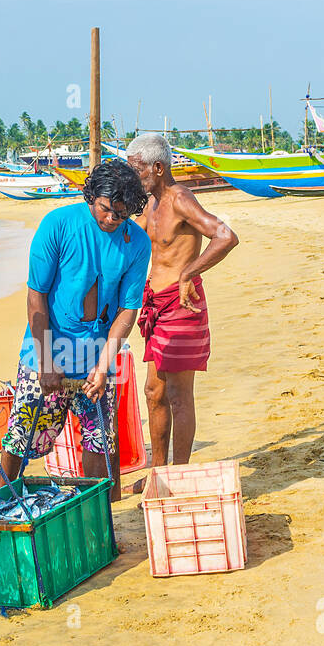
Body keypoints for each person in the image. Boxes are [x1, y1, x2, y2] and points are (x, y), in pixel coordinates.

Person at [0, 160, 151, 502]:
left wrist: (103, 365)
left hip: (97, 357)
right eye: (107, 210)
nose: (112, 219)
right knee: (22, 436)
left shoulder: (137, 242)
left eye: (122, 214)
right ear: (91, 195)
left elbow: (128, 309)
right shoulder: (57, 224)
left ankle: (101, 520)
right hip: (47, 352)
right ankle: (1, 508)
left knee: (102, 440)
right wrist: (46, 359)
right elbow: (36, 295)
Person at [124, 133, 238, 492]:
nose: (134, 177)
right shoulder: (148, 204)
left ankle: (178, 475)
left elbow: (225, 235)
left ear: (158, 168)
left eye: (137, 171)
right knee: (153, 392)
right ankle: (158, 475)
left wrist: (191, 271)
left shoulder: (180, 198)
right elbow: (128, 239)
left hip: (182, 304)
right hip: (155, 307)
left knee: (177, 393)